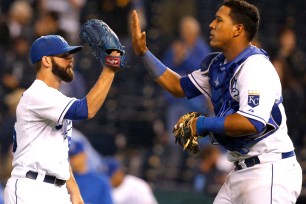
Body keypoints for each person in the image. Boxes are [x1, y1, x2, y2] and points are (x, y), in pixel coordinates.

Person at [130, 0, 302, 203]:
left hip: (269, 170)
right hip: (239, 171)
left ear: (238, 29)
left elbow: (252, 122)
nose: (211, 25)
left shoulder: (255, 67)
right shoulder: (218, 65)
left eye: (219, 20)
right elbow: (178, 87)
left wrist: (201, 123)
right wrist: (144, 54)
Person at [3, 34, 122, 204]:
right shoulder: (37, 94)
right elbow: (86, 110)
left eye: (70, 54)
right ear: (46, 61)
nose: (70, 59)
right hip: (30, 189)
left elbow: (59, 154)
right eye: (63, 55)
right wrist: (110, 68)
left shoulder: (54, 100)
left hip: (56, 189)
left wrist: (74, 191)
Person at [69, 139, 113, 204]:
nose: (73, 160)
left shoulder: (100, 180)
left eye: (75, 156)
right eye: (70, 156)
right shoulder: (67, 180)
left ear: (84, 155)